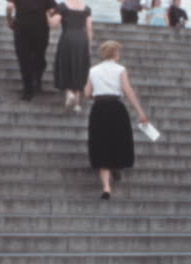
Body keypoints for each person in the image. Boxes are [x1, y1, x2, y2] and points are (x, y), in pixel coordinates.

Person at [84, 41, 149, 200]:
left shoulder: (93, 70)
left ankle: (106, 187)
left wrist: (98, 95)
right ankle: (116, 165)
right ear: (115, 54)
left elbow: (87, 93)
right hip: (116, 108)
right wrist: (140, 112)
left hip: (99, 108)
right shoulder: (120, 69)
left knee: (101, 144)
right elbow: (128, 91)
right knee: (117, 140)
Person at [6, 0, 57, 101]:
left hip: (22, 27)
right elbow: (53, 10)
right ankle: (35, 82)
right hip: (40, 27)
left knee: (24, 59)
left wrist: (9, 19)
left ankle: (28, 90)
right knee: (38, 57)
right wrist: (47, 14)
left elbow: (9, 7)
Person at [47, 0, 93, 113]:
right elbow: (89, 28)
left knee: (65, 64)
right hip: (82, 39)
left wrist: (47, 14)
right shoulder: (86, 8)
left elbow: (54, 24)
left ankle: (69, 93)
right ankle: (77, 103)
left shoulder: (62, 6)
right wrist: (88, 45)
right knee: (79, 66)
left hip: (68, 37)